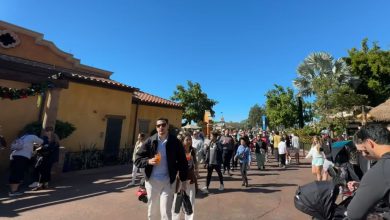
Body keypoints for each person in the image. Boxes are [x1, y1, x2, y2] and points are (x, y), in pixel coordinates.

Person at [135, 118, 188, 220]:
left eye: (163, 125)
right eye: (158, 126)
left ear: (168, 126)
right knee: (152, 211)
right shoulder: (150, 141)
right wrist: (148, 161)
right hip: (152, 182)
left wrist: (183, 180)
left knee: (166, 212)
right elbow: (137, 158)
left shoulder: (175, 142)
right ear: (156, 128)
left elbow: (183, 162)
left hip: (168, 181)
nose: (161, 127)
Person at [346, 124, 390, 220]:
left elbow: (353, 214)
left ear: (370, 143)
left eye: (364, 150)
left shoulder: (380, 169)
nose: (363, 155)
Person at [172, 132, 198, 220]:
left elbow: (195, 162)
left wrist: (196, 171)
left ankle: (189, 218)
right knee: (178, 200)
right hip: (180, 178)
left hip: (191, 178)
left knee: (191, 201)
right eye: (187, 139)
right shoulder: (179, 151)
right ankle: (175, 218)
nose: (189, 141)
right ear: (183, 141)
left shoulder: (193, 150)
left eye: (190, 139)